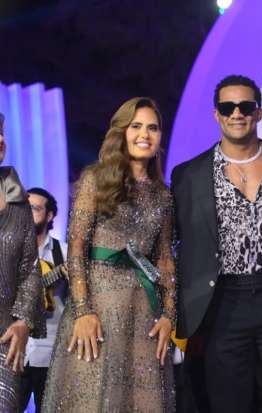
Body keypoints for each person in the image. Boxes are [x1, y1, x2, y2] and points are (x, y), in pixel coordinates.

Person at [171, 75, 262, 413]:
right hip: (223, 303)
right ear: (217, 115)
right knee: (230, 404)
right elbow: (176, 238)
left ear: (259, 112)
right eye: (228, 107)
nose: (237, 113)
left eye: (245, 106)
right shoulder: (189, 175)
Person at [42, 97, 176, 412]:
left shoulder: (162, 195)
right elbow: (76, 249)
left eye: (153, 128)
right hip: (97, 310)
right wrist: (83, 311)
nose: (145, 134)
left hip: (143, 313)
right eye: (136, 126)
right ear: (122, 132)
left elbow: (164, 258)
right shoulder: (96, 180)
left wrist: (169, 316)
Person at [0, 112, 46, 410]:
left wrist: (23, 322)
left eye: (1, 133)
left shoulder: (18, 201)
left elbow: (30, 269)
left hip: (5, 340)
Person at [19, 188, 67, 412]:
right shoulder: (7, 250)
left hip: (50, 352)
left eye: (35, 208)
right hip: (12, 350)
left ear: (49, 216)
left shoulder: (64, 253)